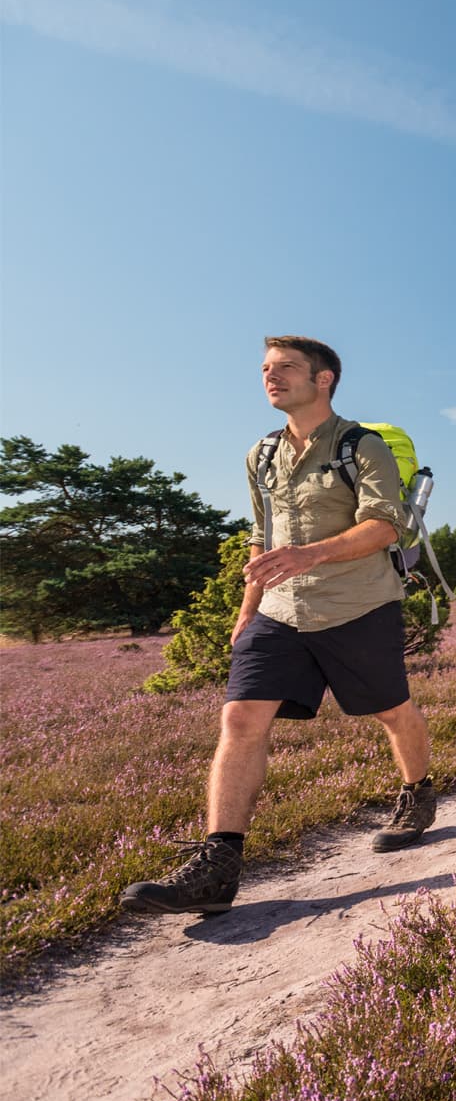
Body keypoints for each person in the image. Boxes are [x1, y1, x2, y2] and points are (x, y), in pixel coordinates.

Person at [120, 337, 437, 915]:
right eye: (266, 369)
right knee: (241, 719)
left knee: (391, 711)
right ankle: (218, 867)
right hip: (279, 611)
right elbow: (263, 539)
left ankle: (417, 793)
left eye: (286, 367)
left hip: (358, 605)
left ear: (324, 379)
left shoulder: (361, 447)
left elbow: (384, 527)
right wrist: (247, 611)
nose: (271, 377)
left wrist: (311, 554)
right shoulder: (261, 455)